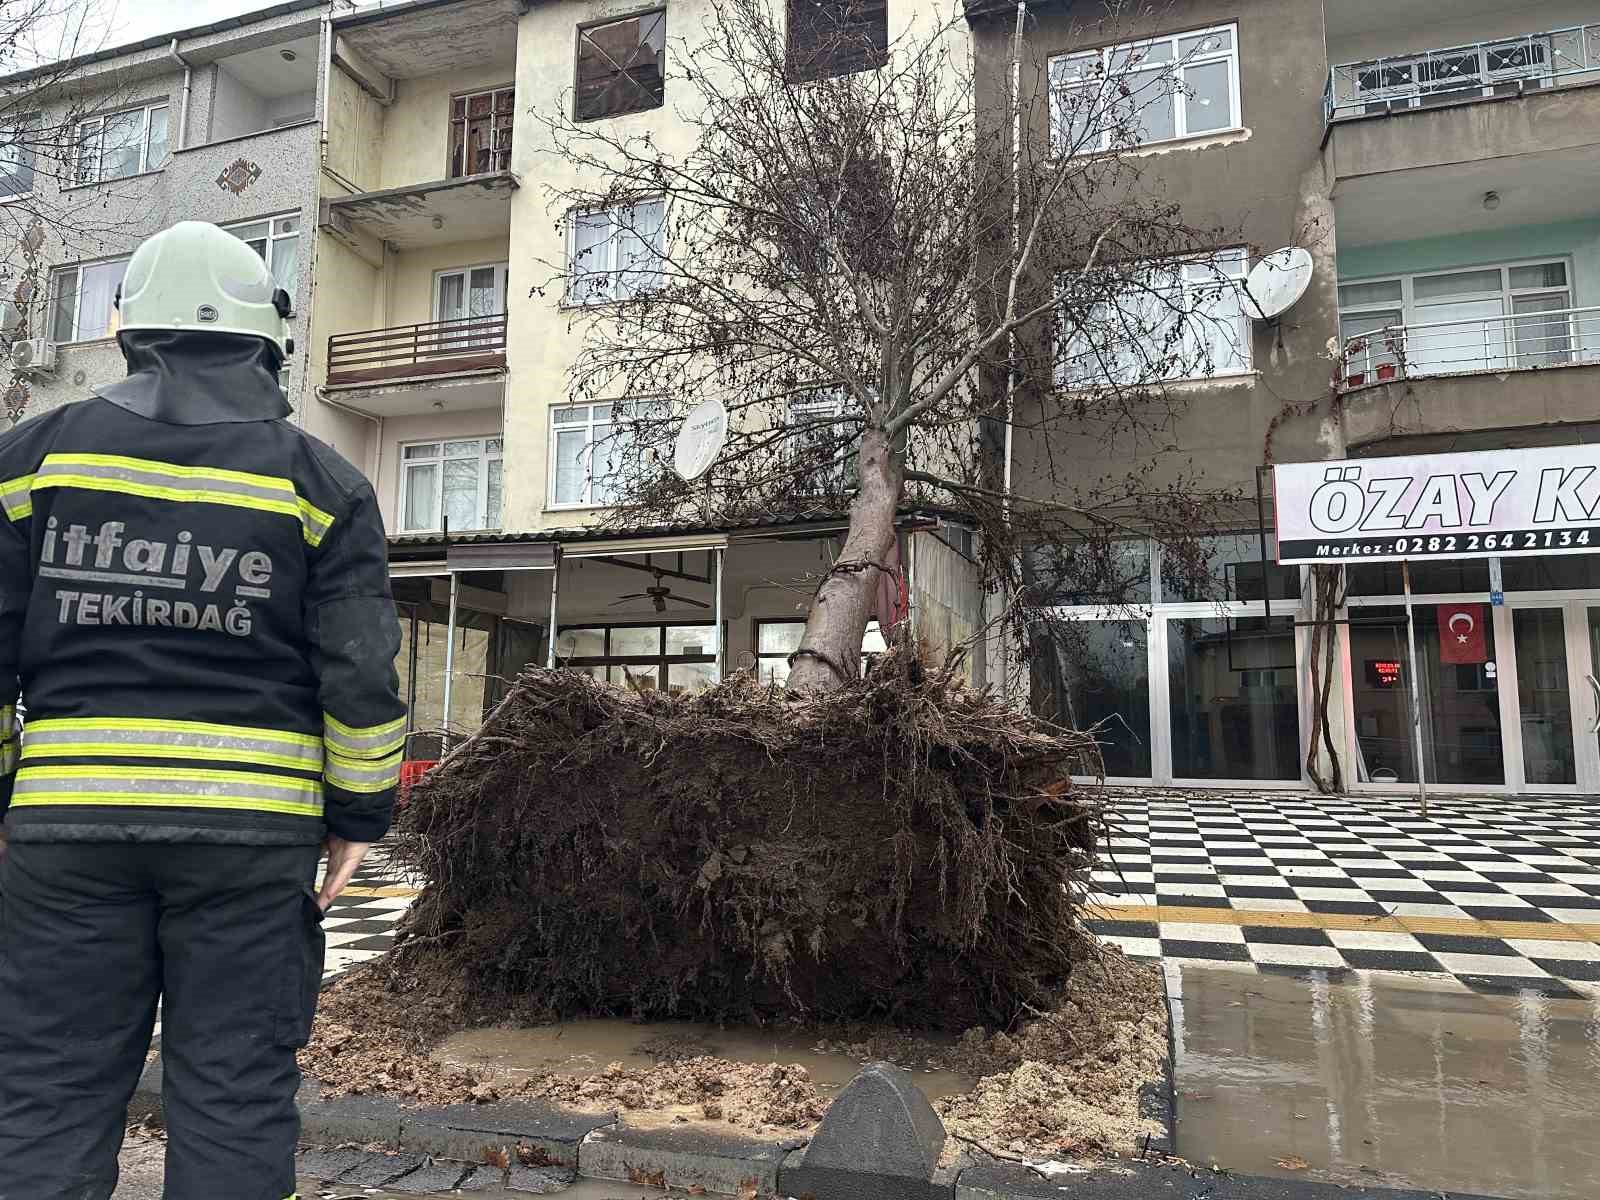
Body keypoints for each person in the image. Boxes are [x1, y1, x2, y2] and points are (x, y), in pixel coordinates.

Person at [0, 221, 405, 1200]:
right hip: (251, 843)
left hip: (66, 837)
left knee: (49, 1084)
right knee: (233, 1088)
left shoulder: (30, 463)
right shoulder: (325, 485)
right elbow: (359, 677)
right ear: (265, 340)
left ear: (127, 329)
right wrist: (357, 817)